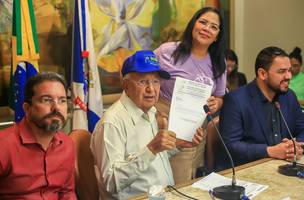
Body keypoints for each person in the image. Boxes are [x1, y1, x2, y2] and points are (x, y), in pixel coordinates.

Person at [90, 50, 204, 200]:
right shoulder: (111, 123)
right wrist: (151, 149)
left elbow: (153, 158)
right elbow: (111, 183)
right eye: (143, 82)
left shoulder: (150, 111)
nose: (151, 89)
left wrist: (178, 144)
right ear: (126, 86)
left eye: (156, 81)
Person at [154, 7, 226, 181]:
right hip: (162, 123)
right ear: (193, 24)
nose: (206, 28)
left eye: (213, 27)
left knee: (186, 180)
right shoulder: (167, 51)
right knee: (161, 179)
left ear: (217, 36)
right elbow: (139, 74)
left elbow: (220, 96)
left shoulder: (218, 63)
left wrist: (217, 103)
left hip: (194, 130)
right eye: (202, 22)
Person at [218, 46, 304, 169]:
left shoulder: (289, 96)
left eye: (289, 70)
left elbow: (302, 128)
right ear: (263, 74)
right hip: (248, 171)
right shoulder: (236, 100)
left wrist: (295, 146)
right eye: (282, 71)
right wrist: (269, 151)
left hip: (284, 165)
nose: (289, 76)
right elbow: (231, 146)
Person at [0, 72, 76, 199]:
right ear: (27, 108)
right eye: (47, 100)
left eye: (62, 100)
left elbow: (67, 192)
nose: (56, 107)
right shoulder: (4, 145)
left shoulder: (67, 144)